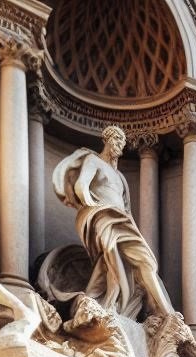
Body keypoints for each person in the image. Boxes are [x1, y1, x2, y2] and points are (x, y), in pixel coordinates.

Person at [52, 124, 174, 319]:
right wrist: (93, 206)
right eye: (116, 140)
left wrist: (133, 228)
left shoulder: (120, 177)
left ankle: (94, 306)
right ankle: (168, 314)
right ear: (106, 141)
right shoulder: (94, 161)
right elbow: (81, 186)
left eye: (122, 142)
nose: (119, 145)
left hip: (120, 221)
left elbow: (127, 210)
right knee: (124, 257)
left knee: (111, 264)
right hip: (101, 216)